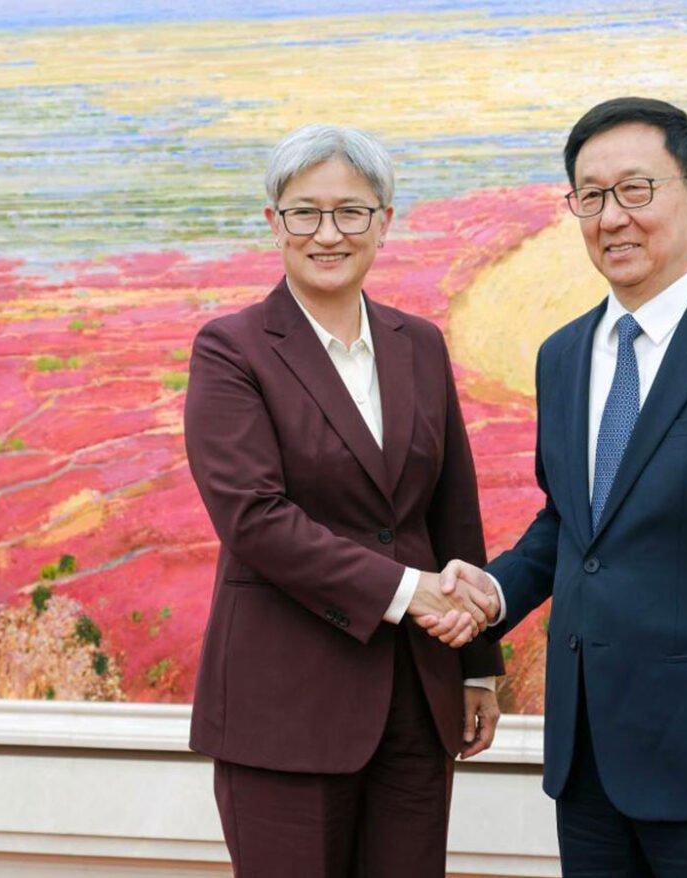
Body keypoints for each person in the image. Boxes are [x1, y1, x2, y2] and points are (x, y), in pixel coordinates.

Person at [427, 97, 687, 876]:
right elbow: (573, 528)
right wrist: (491, 594)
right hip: (586, 767)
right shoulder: (563, 355)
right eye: (590, 195)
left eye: (636, 190)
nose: (612, 217)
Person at [183, 123, 503, 878]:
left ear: (385, 222)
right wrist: (410, 592)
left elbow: (452, 510)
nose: (328, 233)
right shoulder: (231, 349)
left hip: (418, 702)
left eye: (351, 212)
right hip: (284, 706)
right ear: (275, 222)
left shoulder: (419, 342)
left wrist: (479, 667)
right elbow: (254, 520)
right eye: (305, 212)